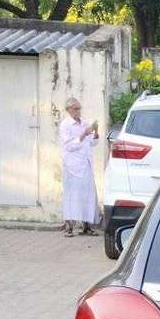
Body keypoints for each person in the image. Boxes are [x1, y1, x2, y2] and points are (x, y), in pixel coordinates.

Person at [59, 98, 100, 237]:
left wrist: (95, 132)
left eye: (79, 108)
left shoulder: (85, 123)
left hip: (86, 163)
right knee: (72, 195)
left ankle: (86, 226)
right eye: (75, 109)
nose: (78, 111)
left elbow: (93, 143)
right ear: (69, 110)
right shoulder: (65, 125)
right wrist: (83, 134)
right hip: (73, 165)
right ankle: (69, 227)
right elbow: (69, 146)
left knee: (87, 194)